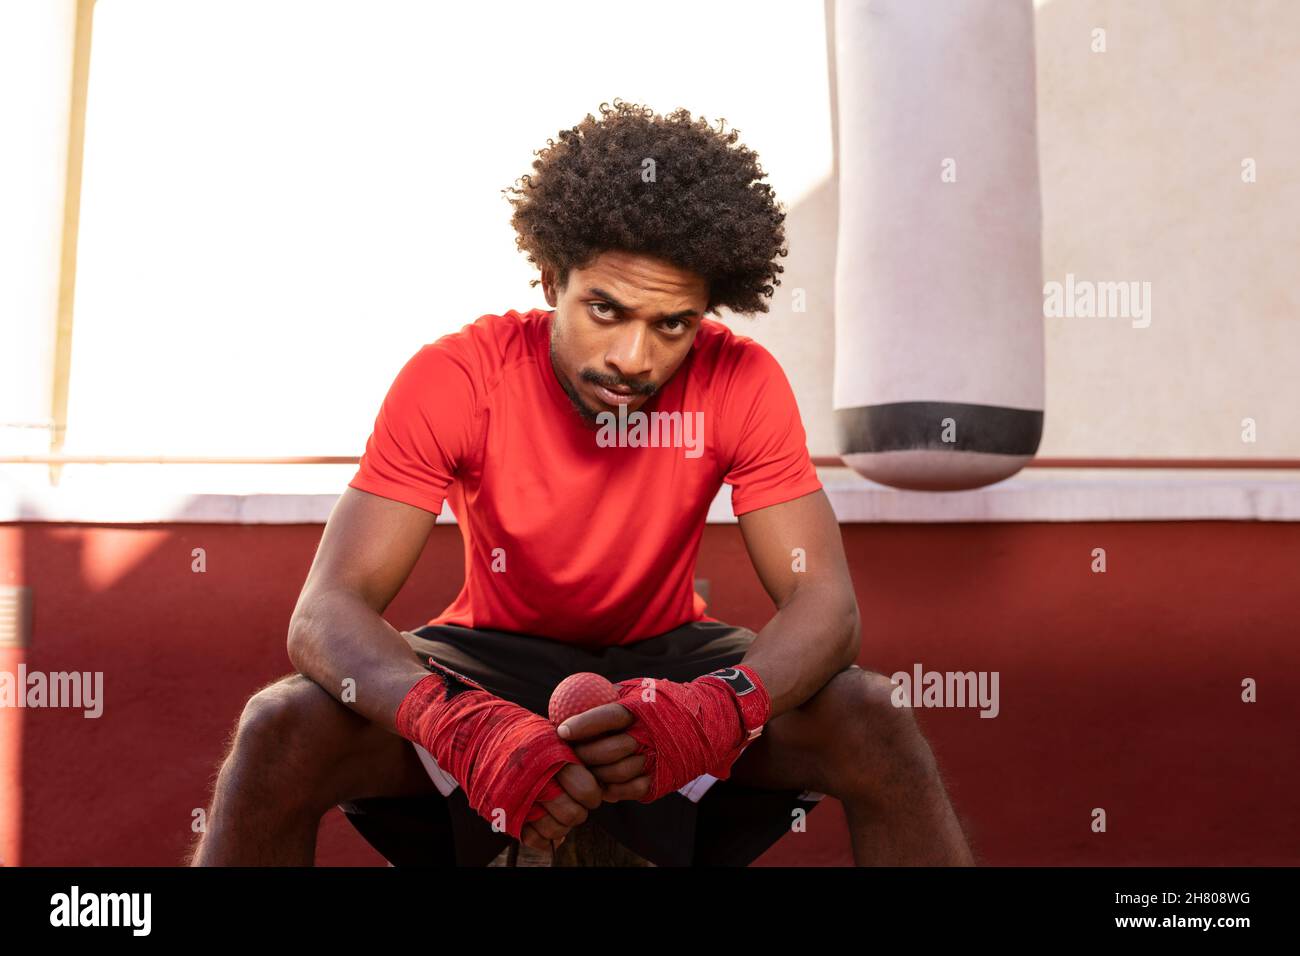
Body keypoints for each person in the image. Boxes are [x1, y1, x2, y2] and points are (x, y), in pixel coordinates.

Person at [188, 100, 973, 867]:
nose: (635, 356)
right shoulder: (458, 377)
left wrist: (722, 707)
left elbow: (825, 604)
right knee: (279, 727)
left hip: (677, 663)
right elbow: (326, 610)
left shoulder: (741, 378)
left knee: (871, 715)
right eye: (605, 308)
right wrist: (454, 722)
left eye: (672, 324)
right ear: (549, 277)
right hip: (482, 659)